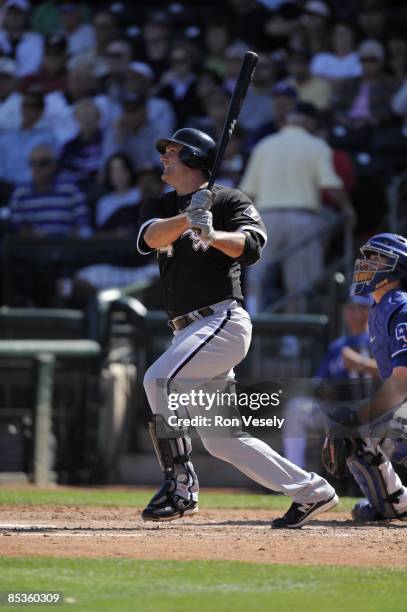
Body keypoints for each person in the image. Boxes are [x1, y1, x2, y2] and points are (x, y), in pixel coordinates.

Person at [136, 126, 338, 528]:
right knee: (223, 441)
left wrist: (211, 234)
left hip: (222, 322)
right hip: (187, 331)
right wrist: (186, 218)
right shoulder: (160, 204)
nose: (164, 157)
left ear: (193, 159)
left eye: (173, 152)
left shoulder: (230, 200)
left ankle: (180, 483)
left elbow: (253, 247)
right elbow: (149, 238)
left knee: (159, 380)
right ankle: (313, 491)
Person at [239, 101, 355, 314]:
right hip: (303, 219)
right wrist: (347, 209)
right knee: (299, 285)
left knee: (257, 278)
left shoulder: (264, 145)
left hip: (265, 218)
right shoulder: (317, 145)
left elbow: (248, 192)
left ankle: (252, 327)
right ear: (309, 122)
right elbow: (330, 185)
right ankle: (293, 342)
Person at [322, 233, 407, 522]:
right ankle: (394, 504)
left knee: (392, 427)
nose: (366, 263)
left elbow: (401, 382)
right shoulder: (379, 308)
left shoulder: (401, 307)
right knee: (356, 430)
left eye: (376, 258)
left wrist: (358, 416)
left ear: (396, 268)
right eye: (366, 257)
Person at [283, 294, 378, 469]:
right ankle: (294, 476)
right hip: (338, 409)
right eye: (348, 306)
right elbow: (318, 382)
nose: (350, 311)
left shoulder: (378, 341)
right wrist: (325, 390)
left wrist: (361, 363)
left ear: (368, 310)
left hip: (371, 409)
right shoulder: (338, 346)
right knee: (296, 409)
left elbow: (395, 374)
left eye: (357, 307)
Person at [9, 143, 91, 236]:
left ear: (54, 164)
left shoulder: (70, 189)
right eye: (32, 163)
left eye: (43, 163)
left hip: (67, 246)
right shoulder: (21, 192)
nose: (37, 168)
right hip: (32, 247)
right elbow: (17, 228)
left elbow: (82, 224)